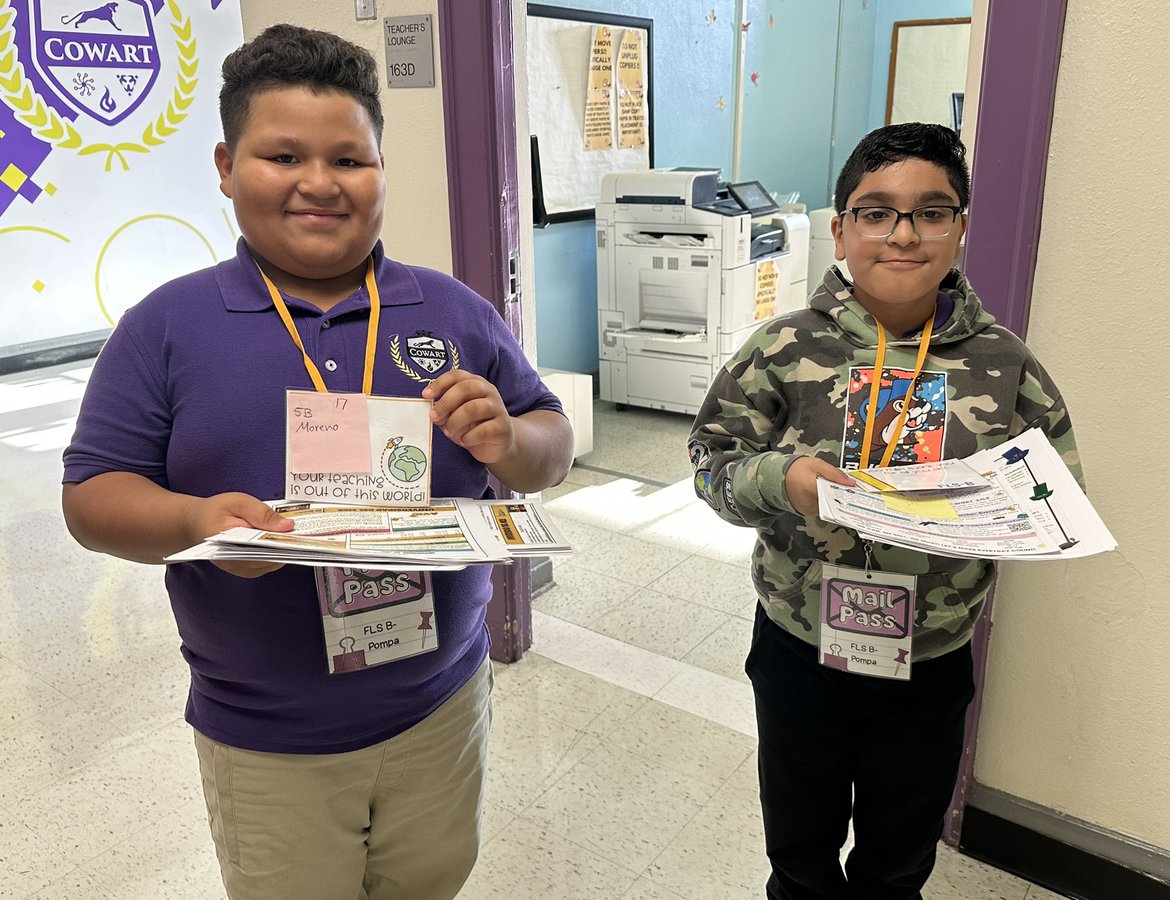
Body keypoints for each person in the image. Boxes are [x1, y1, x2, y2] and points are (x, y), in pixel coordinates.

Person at [61, 24, 573, 900]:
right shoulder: (167, 327)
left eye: (350, 159)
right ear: (226, 166)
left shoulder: (449, 308)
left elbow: (549, 440)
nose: (319, 183)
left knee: (434, 878)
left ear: (381, 167)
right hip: (266, 735)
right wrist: (195, 522)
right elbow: (90, 496)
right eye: (283, 155)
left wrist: (512, 441)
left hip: (442, 701)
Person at [687, 123, 1082, 900]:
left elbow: (1055, 489)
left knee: (898, 861)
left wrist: (993, 509)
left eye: (932, 212)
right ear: (839, 228)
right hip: (801, 647)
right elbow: (710, 464)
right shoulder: (781, 349)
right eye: (876, 212)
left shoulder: (1002, 364)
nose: (903, 233)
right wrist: (784, 477)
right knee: (798, 855)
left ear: (961, 227)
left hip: (929, 660)